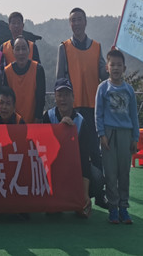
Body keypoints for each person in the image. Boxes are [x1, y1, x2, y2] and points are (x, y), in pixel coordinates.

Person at [43, 78, 101, 218]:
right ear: (55, 97)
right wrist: (60, 129)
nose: (63, 99)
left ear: (73, 97)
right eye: (60, 95)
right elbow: (45, 151)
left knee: (97, 177)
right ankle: (54, 199)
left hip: (74, 168)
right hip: (53, 168)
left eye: (67, 95)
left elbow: (84, 159)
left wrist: (84, 194)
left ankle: (79, 200)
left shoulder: (81, 121)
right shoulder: (48, 117)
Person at [95, 49, 139, 224]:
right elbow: (98, 114)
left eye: (119, 65)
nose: (115, 68)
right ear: (107, 67)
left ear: (124, 68)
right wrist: (101, 134)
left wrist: (135, 137)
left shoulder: (129, 90)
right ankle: (113, 208)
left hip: (126, 135)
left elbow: (134, 115)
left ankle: (123, 208)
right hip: (109, 135)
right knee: (110, 173)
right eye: (112, 64)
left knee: (124, 173)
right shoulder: (103, 88)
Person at [56, 7, 108, 128]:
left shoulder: (96, 47)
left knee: (92, 139)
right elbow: (60, 79)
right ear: (70, 24)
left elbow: (103, 75)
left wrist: (109, 67)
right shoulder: (64, 47)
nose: (76, 23)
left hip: (94, 104)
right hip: (73, 107)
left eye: (79, 19)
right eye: (73, 20)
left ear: (85, 22)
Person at [2, 36, 45, 123]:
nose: (21, 52)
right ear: (13, 51)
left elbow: (41, 97)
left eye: (24, 48)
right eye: (17, 49)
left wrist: (37, 119)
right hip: (13, 122)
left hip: (33, 122)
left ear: (29, 50)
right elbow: (6, 99)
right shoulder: (7, 71)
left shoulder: (38, 69)